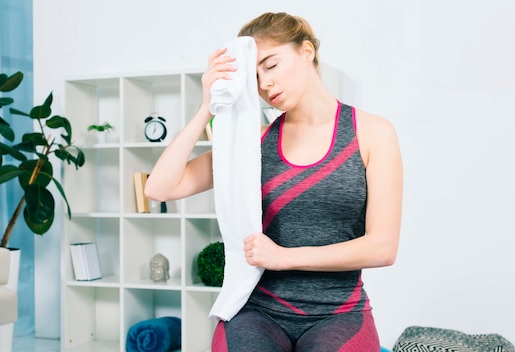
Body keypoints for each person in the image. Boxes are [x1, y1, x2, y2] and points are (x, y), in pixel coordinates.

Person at [144, 11, 403, 352]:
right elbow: (159, 188)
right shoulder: (254, 145)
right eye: (254, 76)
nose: (264, 85)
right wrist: (207, 106)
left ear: (306, 51)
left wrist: (284, 257)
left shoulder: (371, 133)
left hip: (338, 313)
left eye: (271, 65)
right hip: (258, 311)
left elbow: (382, 248)